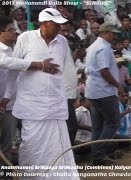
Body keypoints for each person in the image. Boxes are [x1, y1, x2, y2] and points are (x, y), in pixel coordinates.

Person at [1, 8, 79, 179]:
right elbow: (14, 69)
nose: (59, 28)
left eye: (61, 25)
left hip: (55, 104)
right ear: (44, 24)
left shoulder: (62, 42)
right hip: (31, 105)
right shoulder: (25, 38)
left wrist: (72, 95)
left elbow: (67, 70)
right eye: (55, 25)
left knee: (57, 146)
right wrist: (7, 96)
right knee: (31, 145)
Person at [0, 16, 59, 167]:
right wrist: (39, 64)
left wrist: (7, 96)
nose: (15, 33)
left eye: (14, 29)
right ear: (1, 33)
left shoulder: (17, 47)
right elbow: (8, 63)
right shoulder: (3, 52)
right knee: (6, 143)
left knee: (16, 141)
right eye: (10, 30)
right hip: (5, 104)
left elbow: (15, 75)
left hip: (16, 102)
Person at [85, 22, 122, 165]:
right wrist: (118, 85)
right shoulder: (103, 48)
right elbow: (104, 71)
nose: (114, 36)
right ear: (105, 33)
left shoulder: (95, 46)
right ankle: (98, 153)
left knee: (98, 126)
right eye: (113, 33)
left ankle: (98, 154)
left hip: (94, 90)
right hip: (104, 91)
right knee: (113, 122)